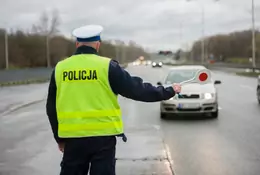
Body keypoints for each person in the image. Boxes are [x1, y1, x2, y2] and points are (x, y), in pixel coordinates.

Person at [46, 24, 181, 175]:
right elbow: (137, 90)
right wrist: (168, 91)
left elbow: (51, 107)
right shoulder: (107, 66)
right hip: (102, 139)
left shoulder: (60, 68)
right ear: (97, 44)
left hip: (72, 140)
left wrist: (59, 138)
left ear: (77, 44)